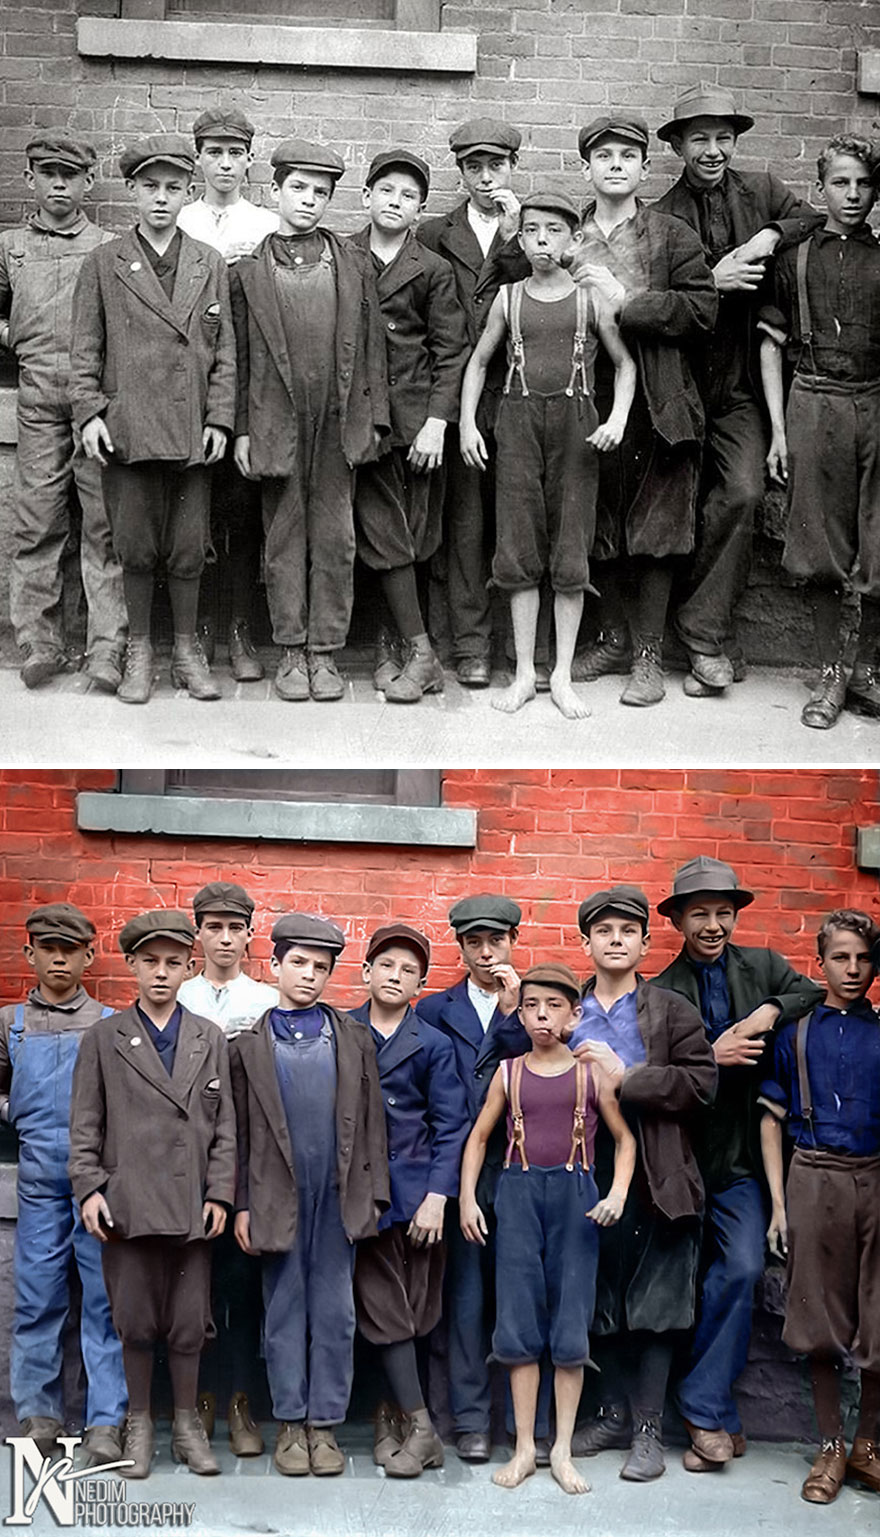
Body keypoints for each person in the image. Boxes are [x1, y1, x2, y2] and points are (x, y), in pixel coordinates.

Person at [654, 856, 824, 1472]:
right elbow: (657, 1074)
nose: (713, 925)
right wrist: (710, 1052)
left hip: (747, 1160)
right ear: (677, 920)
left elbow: (810, 990)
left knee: (744, 1268)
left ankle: (701, 1403)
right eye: (700, 913)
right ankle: (713, 1414)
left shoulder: (763, 966)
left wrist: (767, 1011)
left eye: (723, 913)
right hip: (681, 1159)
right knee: (684, 1284)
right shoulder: (661, 991)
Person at [653, 84, 820, 695]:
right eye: (700, 138)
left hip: (746, 382)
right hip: (682, 382)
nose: (714, 150)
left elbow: (811, 216)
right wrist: (711, 281)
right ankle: (694, 642)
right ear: (677, 145)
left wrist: (768, 236)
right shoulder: (663, 216)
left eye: (724, 137)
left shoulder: (764, 190)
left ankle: (701, 632)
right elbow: (657, 300)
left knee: (744, 495)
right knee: (676, 508)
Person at [69, 909, 236, 1480]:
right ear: (133, 967)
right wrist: (90, 1188)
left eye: (172, 963)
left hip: (192, 1204)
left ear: (190, 968)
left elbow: (225, 1128)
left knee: (190, 1321)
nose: (161, 974)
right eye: (149, 963)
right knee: (135, 1319)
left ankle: (187, 1427)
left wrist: (219, 1192)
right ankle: (139, 1424)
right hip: (128, 1201)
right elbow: (85, 1125)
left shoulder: (208, 1038)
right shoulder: (104, 1038)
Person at [69, 133, 236, 705]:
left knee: (189, 545)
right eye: (149, 188)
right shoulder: (104, 262)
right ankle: (139, 650)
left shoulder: (208, 263)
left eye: (172, 188)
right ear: (132, 192)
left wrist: (219, 419)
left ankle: (187, 653)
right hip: (128, 425)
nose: (161, 199)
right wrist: (90, 412)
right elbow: (85, 348)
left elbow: (225, 352)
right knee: (135, 544)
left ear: (190, 193)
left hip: (191, 427)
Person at [460, 963, 636, 1496]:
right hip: (515, 1196)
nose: (541, 1016)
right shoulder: (509, 1073)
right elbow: (478, 1138)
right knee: (517, 1322)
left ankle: (560, 1448)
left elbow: (625, 1140)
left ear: (574, 1015)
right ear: (521, 1010)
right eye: (532, 1005)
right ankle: (523, 1449)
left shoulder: (590, 1074)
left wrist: (617, 1194)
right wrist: (468, 1198)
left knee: (569, 1323)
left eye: (554, 1007)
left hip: (575, 1198)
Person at [460, 190, 636, 720]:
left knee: (570, 550)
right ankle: (522, 675)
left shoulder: (590, 298)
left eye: (554, 231)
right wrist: (468, 423)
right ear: (520, 236)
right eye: (532, 231)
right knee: (517, 549)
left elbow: (625, 365)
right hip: (515, 425)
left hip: (577, 428)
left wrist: (617, 419)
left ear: (573, 238)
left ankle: (560, 674)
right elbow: (478, 363)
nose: (541, 241)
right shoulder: (509, 298)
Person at [230, 139, 389, 702]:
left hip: (337, 420)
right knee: (284, 536)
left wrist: (375, 422)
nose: (309, 201)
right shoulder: (248, 273)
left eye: (321, 193)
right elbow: (242, 357)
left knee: (336, 536)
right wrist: (243, 429)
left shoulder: (352, 262)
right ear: (274, 191)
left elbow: (372, 349)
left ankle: (326, 653)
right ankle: (291, 651)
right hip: (277, 421)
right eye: (298, 188)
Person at [229, 914, 388, 1477]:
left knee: (337, 1312)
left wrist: (374, 1197)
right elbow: (240, 1133)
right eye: (298, 963)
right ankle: (290, 1424)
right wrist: (242, 1202)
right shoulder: (249, 1046)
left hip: (337, 1196)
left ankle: (325, 1426)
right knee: (284, 1310)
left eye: (322, 967)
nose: (310, 976)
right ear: (273, 966)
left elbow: (371, 1123)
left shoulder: (350, 1036)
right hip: (277, 1197)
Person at [567, 114, 717, 706]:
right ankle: (611, 640)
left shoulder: (671, 234)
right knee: (596, 520)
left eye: (628, 156)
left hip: (658, 399)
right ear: (586, 167)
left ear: (645, 168)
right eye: (603, 156)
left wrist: (628, 299)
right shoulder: (569, 233)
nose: (615, 165)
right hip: (587, 395)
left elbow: (703, 310)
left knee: (657, 526)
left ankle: (649, 656)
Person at [567, 885, 717, 1481]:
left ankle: (649, 1430)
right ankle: (610, 1415)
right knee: (597, 1293)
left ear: (645, 943)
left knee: (656, 1299)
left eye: (627, 931)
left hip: (659, 1171)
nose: (615, 940)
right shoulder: (569, 1007)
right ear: (586, 943)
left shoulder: (672, 1009)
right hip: (587, 1167)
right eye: (603, 931)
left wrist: (627, 1076)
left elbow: (702, 1083)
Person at [759, 908, 880, 1504]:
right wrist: (779, 1207)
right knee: (819, 1315)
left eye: (863, 958)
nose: (853, 969)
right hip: (813, 1174)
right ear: (821, 963)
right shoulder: (795, 1035)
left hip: (876, 1176)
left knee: (879, 1314)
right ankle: (830, 1444)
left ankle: (866, 1446)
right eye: (841, 957)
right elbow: (769, 1122)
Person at [759, 134, 880, 730]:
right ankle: (832, 672)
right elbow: (769, 347)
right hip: (813, 400)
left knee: (878, 541)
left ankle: (866, 672)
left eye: (863, 183)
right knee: (822, 543)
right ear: (820, 189)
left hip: (875, 402)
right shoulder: (794, 259)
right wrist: (779, 432)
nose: (853, 194)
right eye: (841, 182)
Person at [0, 904, 126, 1465]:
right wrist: (14, 1114)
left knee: (104, 1299)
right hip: (36, 1179)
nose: (58, 958)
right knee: (38, 1297)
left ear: (87, 956)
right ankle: (39, 1414)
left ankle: (105, 1420)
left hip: (96, 1179)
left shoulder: (109, 1023)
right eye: (46, 949)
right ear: (29, 954)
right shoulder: (9, 1024)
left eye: (69, 950)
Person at [0, 135, 126, 693]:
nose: (58, 184)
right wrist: (14, 340)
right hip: (36, 398)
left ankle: (106, 646)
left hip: (94, 398)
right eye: (47, 173)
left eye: (69, 175)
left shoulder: (106, 246)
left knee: (103, 521)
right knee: (38, 519)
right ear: (29, 179)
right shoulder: (9, 246)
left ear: (87, 183)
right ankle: (39, 641)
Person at [348, 922, 468, 1476]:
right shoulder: (341, 1032)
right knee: (384, 1308)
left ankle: (392, 1419)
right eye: (387, 966)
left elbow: (451, 1127)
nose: (396, 977)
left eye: (409, 971)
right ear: (367, 972)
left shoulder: (433, 1044)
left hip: (416, 1197)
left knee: (414, 1311)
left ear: (420, 985)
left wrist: (438, 1197)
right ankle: (420, 1429)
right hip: (360, 1197)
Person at [416, 893, 532, 1463]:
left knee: (517, 1292)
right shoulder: (436, 1011)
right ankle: (469, 1422)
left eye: (497, 941)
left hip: (520, 1165)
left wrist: (515, 1013)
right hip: (460, 1163)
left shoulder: (536, 1005)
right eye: (475, 943)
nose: (487, 954)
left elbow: (538, 1067)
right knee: (465, 1296)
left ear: (513, 941)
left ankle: (516, 1420)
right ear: (460, 947)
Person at [350, 149, 468, 703]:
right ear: (367, 196)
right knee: (382, 531)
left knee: (411, 536)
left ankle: (395, 646)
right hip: (359, 423)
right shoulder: (342, 256)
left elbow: (451, 353)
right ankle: (417, 652)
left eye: (408, 196)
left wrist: (436, 423)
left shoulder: (433, 269)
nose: (394, 203)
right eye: (386, 191)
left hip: (414, 422)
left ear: (419, 209)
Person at [418, 117, 523, 686]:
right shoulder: (436, 234)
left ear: (512, 168)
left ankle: (518, 647)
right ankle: (471, 645)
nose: (486, 178)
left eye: (496, 166)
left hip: (519, 391)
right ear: (461, 171)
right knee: (465, 523)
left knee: (516, 520)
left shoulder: (534, 230)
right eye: (474, 168)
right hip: (460, 389)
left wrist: (514, 237)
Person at [178, 106, 278, 685]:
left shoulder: (263, 225)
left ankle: (240, 627)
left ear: (248, 159)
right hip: (187, 389)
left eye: (234, 153)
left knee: (240, 516)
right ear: (198, 158)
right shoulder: (179, 219)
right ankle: (198, 631)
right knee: (193, 517)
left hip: (241, 387)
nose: (224, 163)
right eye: (213, 152)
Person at [178, 881, 278, 1459]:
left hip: (243, 1163)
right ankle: (198, 1401)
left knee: (241, 1288)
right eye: (212, 927)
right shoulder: (179, 996)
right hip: (185, 1165)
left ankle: (241, 1399)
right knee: (193, 1290)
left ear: (248, 934)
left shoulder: (263, 1002)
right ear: (199, 933)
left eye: (233, 927)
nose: (223, 938)